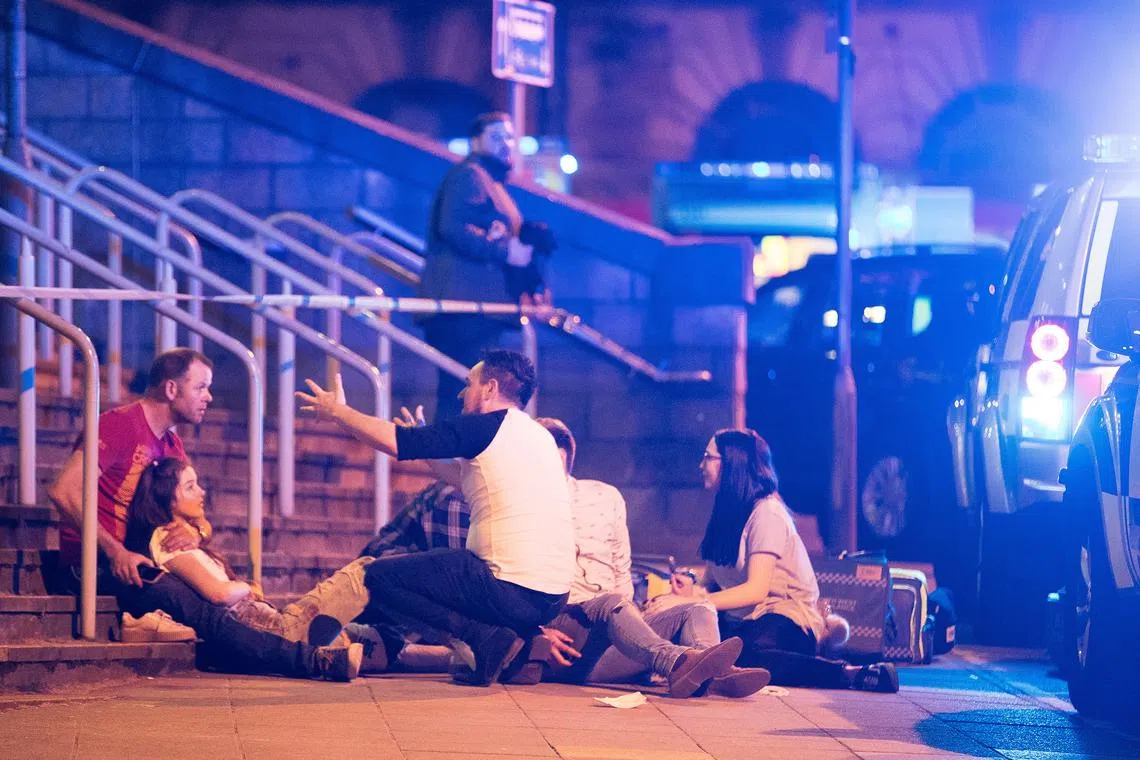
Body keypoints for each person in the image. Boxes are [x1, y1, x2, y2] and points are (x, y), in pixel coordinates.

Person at [297, 349, 573, 686]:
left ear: (489, 389)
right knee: (437, 569)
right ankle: (496, 645)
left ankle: (483, 638)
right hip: (551, 599)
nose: (461, 392)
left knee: (379, 577)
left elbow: (400, 443)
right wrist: (428, 456)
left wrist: (338, 412)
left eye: (469, 383)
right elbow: (464, 476)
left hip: (507, 588)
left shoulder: (484, 426)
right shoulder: (539, 437)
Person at [667, 429, 900, 693]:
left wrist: (697, 600)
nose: (701, 464)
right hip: (743, 620)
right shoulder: (728, 513)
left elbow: (756, 590)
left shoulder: (767, 513)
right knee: (696, 637)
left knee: (745, 652)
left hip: (786, 617)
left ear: (732, 464)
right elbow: (715, 578)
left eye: (708, 457)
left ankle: (850, 674)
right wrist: (691, 584)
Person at [47, 348, 216, 641]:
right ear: (172, 388)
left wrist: (195, 532)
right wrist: (116, 552)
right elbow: (62, 490)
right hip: (95, 565)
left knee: (221, 590)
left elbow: (197, 514)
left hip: (145, 559)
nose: (208, 397)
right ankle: (307, 660)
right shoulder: (119, 425)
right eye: (200, 387)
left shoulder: (172, 445)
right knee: (208, 607)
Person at [124, 457, 373, 649]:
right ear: (169, 501)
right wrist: (248, 587)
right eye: (190, 487)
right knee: (364, 572)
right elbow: (219, 593)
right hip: (265, 626)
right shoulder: (167, 538)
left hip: (268, 620)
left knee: (367, 639)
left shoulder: (187, 535)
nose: (202, 491)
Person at [418, 111, 538, 419]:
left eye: (510, 137)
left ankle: (455, 460)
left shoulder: (489, 180)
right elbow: (453, 226)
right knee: (461, 392)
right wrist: (504, 251)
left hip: (475, 307)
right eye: (496, 137)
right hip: (464, 308)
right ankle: (449, 461)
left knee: (467, 392)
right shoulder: (471, 176)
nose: (506, 144)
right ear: (475, 142)